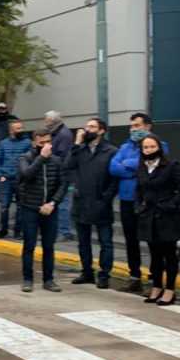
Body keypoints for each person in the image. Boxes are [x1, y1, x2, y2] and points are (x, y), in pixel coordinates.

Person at [109, 112, 168, 293]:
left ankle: (155, 277)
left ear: (148, 126)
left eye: (137, 125)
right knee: (131, 240)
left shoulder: (159, 145)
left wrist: (128, 166)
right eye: (132, 126)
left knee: (153, 240)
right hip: (127, 199)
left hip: (148, 200)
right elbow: (113, 167)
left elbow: (153, 165)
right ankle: (134, 276)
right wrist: (134, 168)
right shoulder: (125, 147)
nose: (133, 129)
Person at [66, 118, 119, 289]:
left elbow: (114, 180)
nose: (88, 129)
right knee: (83, 241)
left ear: (101, 130)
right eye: (87, 126)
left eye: (92, 127)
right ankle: (86, 272)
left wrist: (106, 199)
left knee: (105, 242)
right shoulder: (80, 150)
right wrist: (76, 143)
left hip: (101, 203)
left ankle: (104, 274)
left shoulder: (110, 151)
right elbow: (67, 165)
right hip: (81, 202)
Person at [137, 135, 180, 306]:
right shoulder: (142, 167)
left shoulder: (171, 165)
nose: (149, 150)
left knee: (170, 255)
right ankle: (156, 287)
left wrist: (172, 205)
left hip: (167, 217)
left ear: (159, 147)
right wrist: (139, 206)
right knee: (155, 255)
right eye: (145, 147)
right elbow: (139, 188)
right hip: (149, 217)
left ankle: (170, 290)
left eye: (152, 147)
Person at [16, 129, 69, 293]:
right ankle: (27, 279)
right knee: (29, 245)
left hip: (49, 209)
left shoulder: (57, 161)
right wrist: (41, 157)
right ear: (34, 143)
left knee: (49, 245)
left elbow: (63, 184)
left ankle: (48, 279)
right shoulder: (25, 158)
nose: (46, 146)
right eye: (41, 143)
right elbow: (26, 175)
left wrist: (53, 203)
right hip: (30, 208)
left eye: (48, 142)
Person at [0, 120, 31, 239]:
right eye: (18, 128)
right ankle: (3, 230)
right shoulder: (3, 143)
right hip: (6, 179)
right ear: (11, 130)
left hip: (21, 179)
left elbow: (30, 160)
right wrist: (0, 175)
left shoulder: (27, 143)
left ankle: (17, 231)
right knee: (4, 206)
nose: (21, 130)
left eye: (21, 128)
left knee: (21, 206)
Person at [44, 110, 75, 241]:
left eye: (46, 120)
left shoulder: (64, 135)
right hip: (59, 173)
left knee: (63, 203)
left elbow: (63, 156)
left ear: (53, 121)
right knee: (60, 203)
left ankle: (65, 232)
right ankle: (61, 230)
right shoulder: (57, 133)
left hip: (64, 174)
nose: (45, 123)